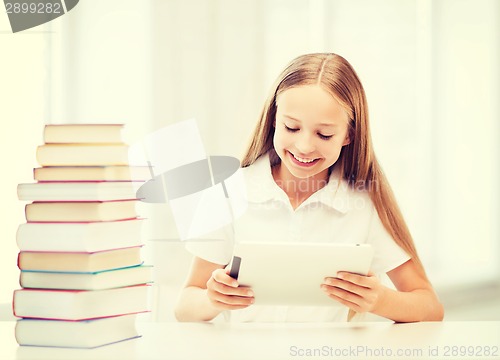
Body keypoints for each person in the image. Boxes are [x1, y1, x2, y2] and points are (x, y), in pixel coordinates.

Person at [174, 53, 444, 323]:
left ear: (349, 134)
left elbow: (429, 307)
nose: (304, 147)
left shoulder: (365, 202)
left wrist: (380, 300)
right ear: (273, 121)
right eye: (291, 127)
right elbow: (185, 307)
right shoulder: (229, 192)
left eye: (324, 134)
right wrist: (212, 299)